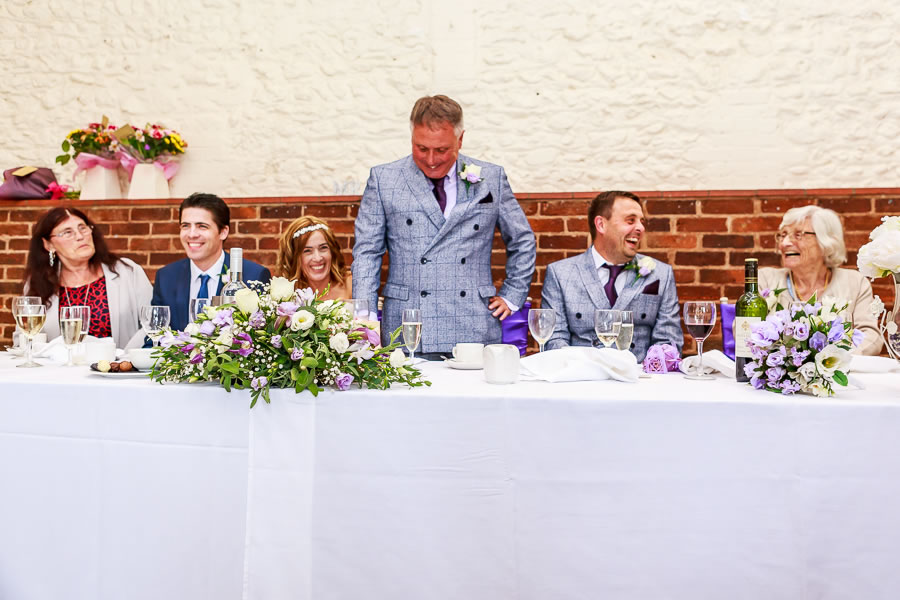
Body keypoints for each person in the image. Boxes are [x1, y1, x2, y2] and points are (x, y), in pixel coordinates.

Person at [352, 94, 536, 357]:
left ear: (460, 140)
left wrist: (512, 294)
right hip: (409, 323)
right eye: (421, 148)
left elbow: (522, 240)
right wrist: (365, 317)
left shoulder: (490, 177)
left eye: (441, 150)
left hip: (473, 321)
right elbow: (367, 252)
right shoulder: (384, 179)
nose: (431, 159)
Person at [541, 191, 683, 362]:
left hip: (639, 375)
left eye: (642, 221)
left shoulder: (661, 274)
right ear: (601, 225)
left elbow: (668, 342)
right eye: (630, 220)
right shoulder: (560, 274)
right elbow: (555, 341)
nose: (641, 228)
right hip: (582, 374)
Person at [759, 205, 882, 355]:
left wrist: (838, 359)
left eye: (798, 235)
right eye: (782, 235)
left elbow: (870, 336)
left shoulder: (855, 282)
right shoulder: (765, 281)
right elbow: (745, 332)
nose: (784, 243)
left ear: (825, 242)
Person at [23, 206, 152, 348]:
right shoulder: (38, 283)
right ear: (48, 245)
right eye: (67, 232)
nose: (80, 236)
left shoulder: (127, 271)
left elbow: (152, 323)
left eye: (83, 228)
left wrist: (125, 357)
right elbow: (24, 336)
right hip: (60, 362)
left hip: (119, 361)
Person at [150, 193, 271, 332]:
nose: (192, 234)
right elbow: (154, 336)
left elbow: (261, 335)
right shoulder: (166, 277)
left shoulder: (254, 276)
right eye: (185, 226)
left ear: (223, 232)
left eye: (202, 226)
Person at [277, 216, 351, 300]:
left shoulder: (351, 284)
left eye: (323, 248)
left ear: (332, 251)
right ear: (295, 258)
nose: (318, 258)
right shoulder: (286, 296)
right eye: (307, 251)